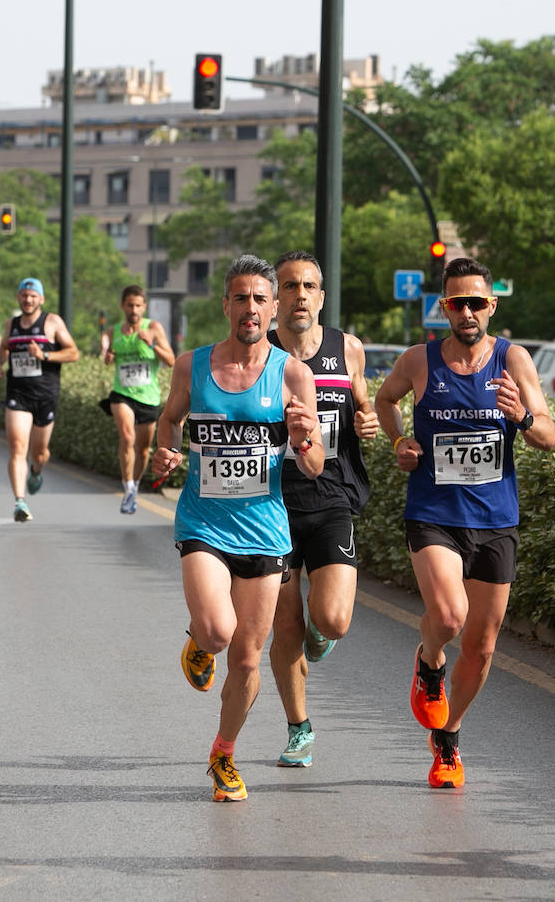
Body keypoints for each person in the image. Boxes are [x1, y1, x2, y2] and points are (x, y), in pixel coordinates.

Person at [374, 256, 555, 790]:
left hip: (497, 519)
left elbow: (547, 434)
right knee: (450, 618)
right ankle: (429, 662)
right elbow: (386, 402)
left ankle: (448, 738)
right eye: (459, 303)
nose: (469, 311)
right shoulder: (418, 360)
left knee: (481, 645)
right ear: (444, 308)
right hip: (433, 514)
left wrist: (521, 414)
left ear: (492, 305)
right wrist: (399, 441)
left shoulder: (512, 359)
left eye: (478, 302)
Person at [152, 254, 324, 802]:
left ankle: (223, 753)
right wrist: (164, 453)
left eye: (259, 299)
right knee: (219, 634)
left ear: (273, 309)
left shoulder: (293, 373)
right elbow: (170, 422)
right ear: (225, 305)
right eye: (240, 298)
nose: (249, 308)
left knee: (248, 659)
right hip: (204, 523)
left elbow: (315, 464)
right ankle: (199, 642)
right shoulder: (191, 366)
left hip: (266, 531)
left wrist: (302, 439)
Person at [265, 251, 378, 767]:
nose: (300, 296)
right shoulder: (258, 354)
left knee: (333, 620)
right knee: (282, 624)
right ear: (276, 298)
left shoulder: (346, 349)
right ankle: (298, 727)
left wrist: (369, 422)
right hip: (270, 504)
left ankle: (320, 633)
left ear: (322, 296)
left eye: (309, 286)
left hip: (331, 498)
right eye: (289, 286)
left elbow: (365, 404)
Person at [3, 277, 79, 521]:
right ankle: (20, 502)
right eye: (24, 295)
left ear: (41, 299)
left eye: (33, 296)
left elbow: (73, 353)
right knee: (17, 447)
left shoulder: (52, 321)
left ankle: (36, 471)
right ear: (19, 297)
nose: (28, 299)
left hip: (45, 394)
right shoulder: (11, 324)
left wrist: (44, 354)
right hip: (18, 394)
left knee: (40, 453)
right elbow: (5, 346)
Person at [99, 284, 175, 514]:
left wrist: (151, 344)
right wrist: (108, 355)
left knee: (143, 450)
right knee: (127, 435)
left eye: (138, 305)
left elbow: (171, 360)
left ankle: (135, 486)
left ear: (144, 307)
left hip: (148, 397)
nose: (133, 309)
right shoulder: (114, 331)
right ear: (123, 306)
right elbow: (106, 353)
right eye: (130, 305)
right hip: (122, 394)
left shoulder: (153, 328)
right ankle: (127, 484)